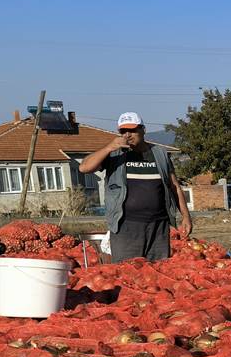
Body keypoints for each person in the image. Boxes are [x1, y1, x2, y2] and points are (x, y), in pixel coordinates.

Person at [79, 112, 192, 262]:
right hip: (126, 228)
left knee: (158, 273)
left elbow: (174, 186)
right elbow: (84, 168)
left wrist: (186, 216)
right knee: (128, 273)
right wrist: (108, 148)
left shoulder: (159, 154)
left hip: (158, 227)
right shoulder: (115, 154)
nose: (128, 135)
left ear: (143, 130)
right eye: (123, 131)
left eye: (132, 130)